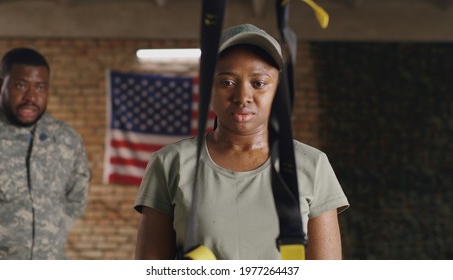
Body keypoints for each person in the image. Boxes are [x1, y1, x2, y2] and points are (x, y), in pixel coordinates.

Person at [134, 23, 349, 260]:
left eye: (258, 83)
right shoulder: (170, 163)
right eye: (227, 82)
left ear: (278, 90)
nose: (243, 97)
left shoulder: (312, 164)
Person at [0, 47, 91, 259]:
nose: (31, 97)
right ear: (0, 86)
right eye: (20, 86)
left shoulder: (66, 139)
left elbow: (76, 199)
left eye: (40, 87)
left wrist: (48, 234)